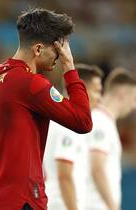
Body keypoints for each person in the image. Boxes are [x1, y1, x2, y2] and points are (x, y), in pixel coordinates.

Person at [0, 8, 93, 210]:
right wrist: (70, 68)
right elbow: (83, 121)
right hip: (23, 200)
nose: (59, 57)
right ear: (38, 49)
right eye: (56, 50)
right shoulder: (31, 84)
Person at [44, 64, 104, 210]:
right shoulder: (69, 124)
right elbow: (64, 174)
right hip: (61, 204)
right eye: (97, 91)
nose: (100, 98)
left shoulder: (59, 118)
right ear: (83, 90)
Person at [85, 68, 136, 210]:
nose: (135, 106)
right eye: (135, 99)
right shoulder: (101, 122)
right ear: (122, 94)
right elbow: (97, 168)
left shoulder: (103, 121)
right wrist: (113, 207)